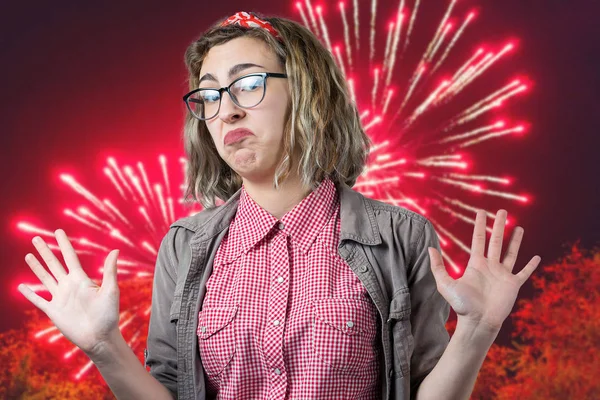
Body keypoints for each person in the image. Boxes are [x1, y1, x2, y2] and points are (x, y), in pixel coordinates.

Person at [18, 11, 542, 400]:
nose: (225, 111)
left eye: (247, 84)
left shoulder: (400, 238)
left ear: (309, 92)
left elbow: (424, 389)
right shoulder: (185, 247)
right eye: (208, 95)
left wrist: (477, 330)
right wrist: (104, 345)